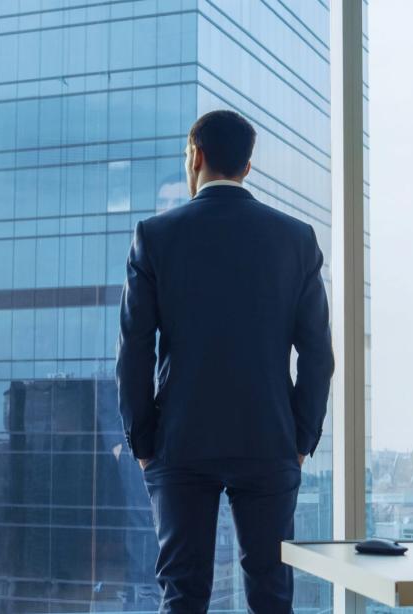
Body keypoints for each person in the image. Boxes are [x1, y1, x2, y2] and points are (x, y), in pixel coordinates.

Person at [116, 109, 334, 613]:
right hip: (268, 438)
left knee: (183, 594)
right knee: (271, 594)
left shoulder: (154, 237)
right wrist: (300, 437)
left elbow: (134, 349)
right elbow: (318, 354)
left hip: (181, 439)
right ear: (247, 167)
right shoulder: (296, 239)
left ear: (196, 156)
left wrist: (143, 441)